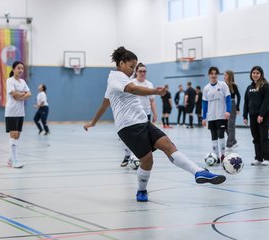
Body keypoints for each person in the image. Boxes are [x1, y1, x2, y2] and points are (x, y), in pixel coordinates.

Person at [84, 47, 226, 202]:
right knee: (147, 160)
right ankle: (141, 191)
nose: (133, 71)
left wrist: (93, 122)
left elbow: (105, 104)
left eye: (135, 68)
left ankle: (198, 172)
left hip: (142, 121)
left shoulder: (118, 80)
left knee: (168, 145)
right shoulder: (116, 77)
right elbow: (132, 89)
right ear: (121, 63)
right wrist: (155, 92)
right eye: (131, 67)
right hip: (128, 127)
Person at [121, 63, 157, 168]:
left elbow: (152, 101)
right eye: (140, 71)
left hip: (146, 115)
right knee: (130, 138)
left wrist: (155, 114)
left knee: (144, 138)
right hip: (132, 114)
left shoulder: (149, 84)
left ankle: (140, 159)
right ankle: (127, 156)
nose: (142, 73)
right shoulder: (131, 83)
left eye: (144, 71)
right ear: (136, 72)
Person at [243, 66, 269, 166]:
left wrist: (261, 114)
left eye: (257, 73)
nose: (255, 74)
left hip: (263, 116)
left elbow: (266, 102)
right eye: (253, 73)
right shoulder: (249, 87)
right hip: (252, 116)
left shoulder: (266, 86)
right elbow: (246, 102)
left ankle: (267, 158)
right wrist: (245, 116)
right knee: (255, 137)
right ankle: (258, 158)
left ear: (261, 74)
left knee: (264, 137)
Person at [5, 61, 31, 168]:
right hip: (11, 112)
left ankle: (11, 159)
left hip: (20, 112)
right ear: (13, 69)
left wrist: (21, 95)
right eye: (18, 68)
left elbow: (29, 93)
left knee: (17, 137)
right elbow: (14, 95)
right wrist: (23, 94)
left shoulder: (23, 81)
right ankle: (15, 161)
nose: (20, 70)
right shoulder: (9, 81)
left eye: (22, 68)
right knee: (14, 136)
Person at [202, 66, 231, 164]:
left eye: (215, 73)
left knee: (221, 134)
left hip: (221, 115)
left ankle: (222, 155)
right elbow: (205, 103)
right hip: (211, 117)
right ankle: (216, 156)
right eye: (211, 73)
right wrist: (204, 117)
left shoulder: (223, 85)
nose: (213, 75)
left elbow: (228, 98)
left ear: (217, 75)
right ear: (209, 75)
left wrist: (228, 111)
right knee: (213, 136)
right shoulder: (206, 88)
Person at [224, 70, 241, 148]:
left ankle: (229, 143)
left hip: (232, 104)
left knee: (231, 124)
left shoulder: (233, 85)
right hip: (224, 104)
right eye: (224, 75)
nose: (224, 77)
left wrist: (237, 108)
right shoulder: (223, 85)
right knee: (225, 125)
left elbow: (239, 96)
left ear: (230, 76)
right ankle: (233, 141)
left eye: (226, 75)